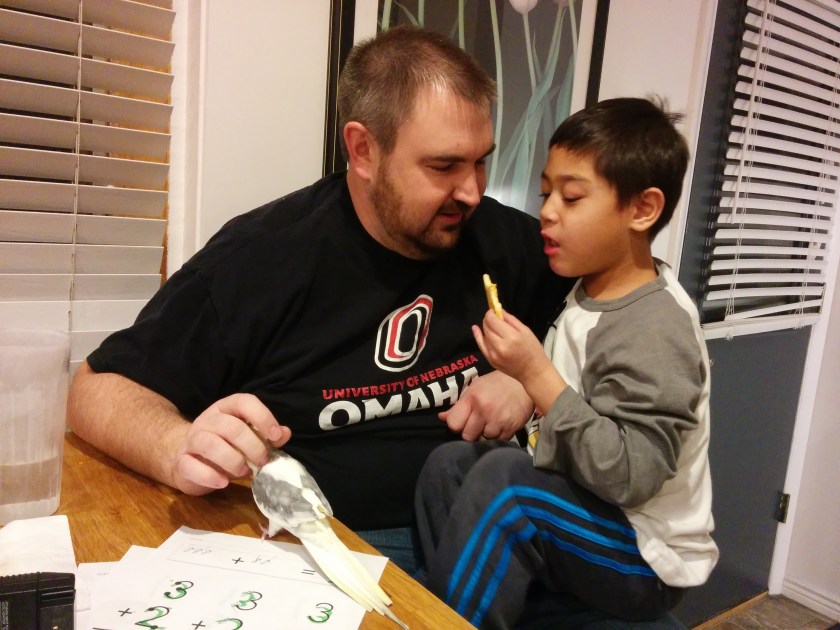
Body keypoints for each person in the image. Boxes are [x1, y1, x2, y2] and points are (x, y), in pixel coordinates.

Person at [66, 25, 571, 573]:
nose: (472, 190)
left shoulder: (505, 240)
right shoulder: (261, 258)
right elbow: (95, 388)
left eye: (480, 161)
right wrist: (176, 444)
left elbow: (622, 315)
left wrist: (533, 380)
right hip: (339, 544)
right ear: (363, 150)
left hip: (495, 521)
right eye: (444, 166)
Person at [414, 97, 719, 628]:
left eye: (572, 198)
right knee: (450, 466)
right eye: (546, 193)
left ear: (642, 210)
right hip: (587, 511)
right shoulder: (590, 286)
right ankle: (445, 608)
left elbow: (632, 476)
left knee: (506, 485)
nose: (549, 212)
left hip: (643, 554)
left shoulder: (655, 326)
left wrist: (534, 375)